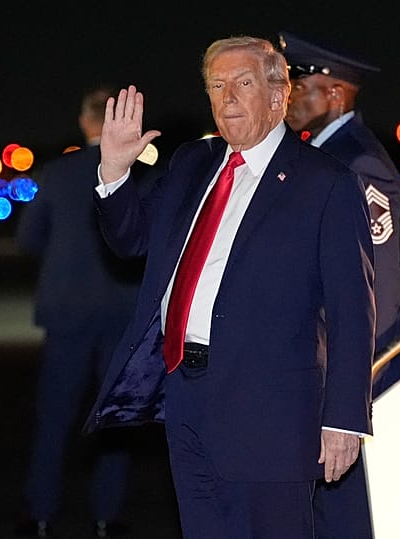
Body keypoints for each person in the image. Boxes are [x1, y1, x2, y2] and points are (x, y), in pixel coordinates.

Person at [83, 36, 375, 539]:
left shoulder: (325, 183)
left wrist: (345, 419)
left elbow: (353, 309)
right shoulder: (192, 163)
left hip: (273, 413)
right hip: (187, 397)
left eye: (243, 83)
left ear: (279, 94)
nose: (228, 98)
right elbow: (132, 240)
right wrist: (115, 169)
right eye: (217, 86)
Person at [280, 31, 400, 538]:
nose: (289, 98)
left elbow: (376, 285)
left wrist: (352, 380)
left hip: (357, 366)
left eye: (300, 87)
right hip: (325, 359)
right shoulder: (318, 156)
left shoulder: (359, 162)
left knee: (347, 509)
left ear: (335, 94)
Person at [14, 85, 157, 538]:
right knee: (115, 416)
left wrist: (62, 265)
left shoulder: (56, 173)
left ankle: (40, 513)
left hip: (67, 309)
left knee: (54, 414)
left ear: (85, 121)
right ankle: (106, 516)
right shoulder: (141, 175)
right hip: (122, 309)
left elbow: (28, 239)